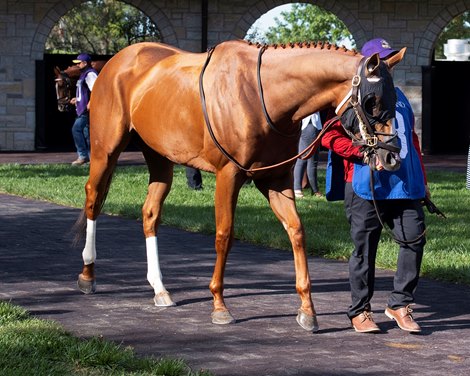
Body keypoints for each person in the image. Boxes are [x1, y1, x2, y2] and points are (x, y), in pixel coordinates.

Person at [321, 38, 429, 334]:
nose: (387, 65)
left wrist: (423, 180)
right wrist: (363, 153)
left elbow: (411, 140)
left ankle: (399, 303)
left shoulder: (400, 97)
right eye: (381, 60)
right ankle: (360, 310)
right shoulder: (349, 99)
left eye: (390, 60)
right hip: (363, 185)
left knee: (413, 241)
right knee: (364, 249)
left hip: (405, 186)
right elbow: (329, 138)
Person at [70, 53, 98, 166]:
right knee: (86, 134)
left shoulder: (90, 74)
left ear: (85, 63)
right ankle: (92, 159)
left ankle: (82, 156)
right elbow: (84, 92)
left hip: (86, 110)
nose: (77, 65)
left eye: (79, 63)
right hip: (81, 108)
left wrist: (91, 103)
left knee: (76, 129)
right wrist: (77, 99)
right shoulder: (83, 75)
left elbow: (96, 89)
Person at [293, 112, 323, 198]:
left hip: (309, 125)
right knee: (311, 161)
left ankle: (297, 188)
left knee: (302, 159)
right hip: (311, 123)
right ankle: (315, 190)